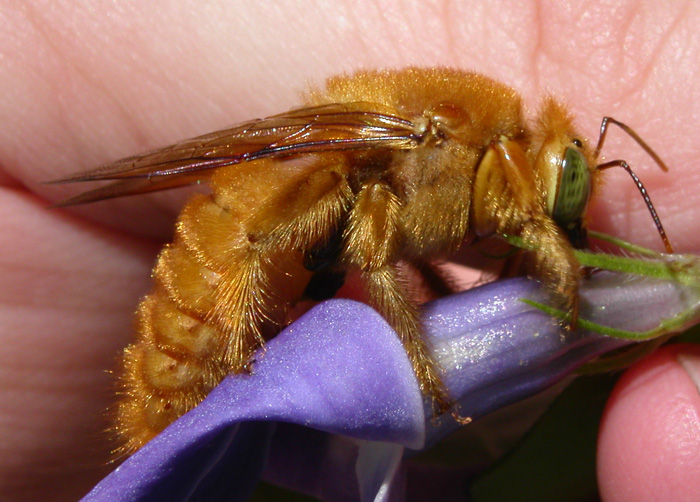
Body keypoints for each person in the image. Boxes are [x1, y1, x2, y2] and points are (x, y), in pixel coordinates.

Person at [1, 2, 698, 500]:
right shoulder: (450, 141)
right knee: (284, 241)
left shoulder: (468, 171)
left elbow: (396, 242)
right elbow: (374, 244)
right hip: (233, 258)